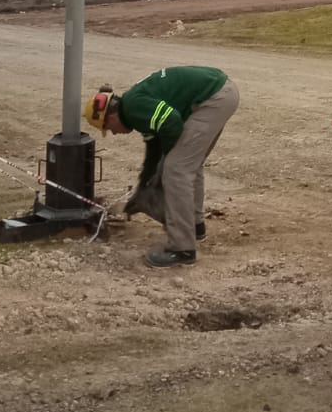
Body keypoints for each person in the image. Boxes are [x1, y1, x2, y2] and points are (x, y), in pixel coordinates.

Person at [84, 64, 239, 268]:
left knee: (176, 169)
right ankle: (194, 224)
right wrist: (143, 185)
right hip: (220, 92)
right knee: (188, 163)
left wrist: (167, 161)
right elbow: (153, 148)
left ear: (110, 116)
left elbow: (172, 123)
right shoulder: (135, 109)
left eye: (108, 128)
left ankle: (182, 249)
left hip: (212, 98)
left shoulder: (134, 108)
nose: (112, 133)